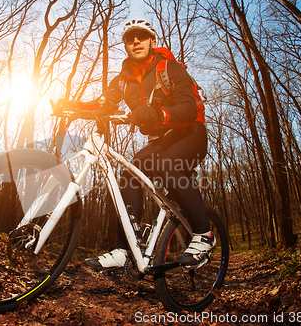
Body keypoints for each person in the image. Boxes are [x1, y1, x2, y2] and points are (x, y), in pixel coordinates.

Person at [58, 19, 215, 269]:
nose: (136, 41)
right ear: (126, 46)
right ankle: (125, 248)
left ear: (153, 42)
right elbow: (104, 103)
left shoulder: (170, 68)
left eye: (142, 36)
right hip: (161, 140)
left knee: (168, 167)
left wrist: (158, 113)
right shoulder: (123, 80)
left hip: (190, 133)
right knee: (129, 174)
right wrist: (73, 106)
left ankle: (204, 234)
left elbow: (188, 109)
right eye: (130, 39)